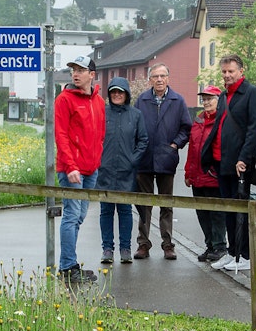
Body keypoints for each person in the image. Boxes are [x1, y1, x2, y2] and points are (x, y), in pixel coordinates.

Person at [201, 54, 256, 272]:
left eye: (231, 71)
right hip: (222, 162)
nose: (227, 75)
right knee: (228, 209)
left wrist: (244, 158)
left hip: (239, 164)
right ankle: (232, 252)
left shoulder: (251, 93)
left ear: (241, 71)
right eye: (224, 71)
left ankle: (244, 255)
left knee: (240, 211)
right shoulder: (223, 96)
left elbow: (255, 128)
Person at [133, 63, 193, 260]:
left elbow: (186, 128)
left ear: (168, 78)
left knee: (166, 203)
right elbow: (134, 126)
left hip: (167, 159)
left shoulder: (178, 100)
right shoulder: (142, 100)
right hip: (145, 159)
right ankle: (143, 244)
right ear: (150, 79)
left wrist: (175, 145)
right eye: (155, 76)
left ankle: (168, 244)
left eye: (162, 76)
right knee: (144, 204)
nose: (159, 79)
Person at [54, 55, 105, 283]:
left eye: (81, 70)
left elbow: (100, 134)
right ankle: (67, 267)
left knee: (80, 216)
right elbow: (61, 135)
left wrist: (97, 162)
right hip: (71, 170)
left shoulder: (99, 101)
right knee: (72, 215)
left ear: (91, 75)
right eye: (73, 70)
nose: (76, 74)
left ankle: (69, 264)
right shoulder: (64, 99)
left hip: (91, 170)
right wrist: (71, 166)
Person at [96, 77, 148, 265]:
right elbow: (94, 137)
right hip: (105, 169)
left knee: (125, 210)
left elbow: (143, 140)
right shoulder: (102, 113)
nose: (117, 95)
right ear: (109, 94)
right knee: (106, 210)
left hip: (127, 171)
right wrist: (98, 159)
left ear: (126, 94)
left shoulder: (136, 115)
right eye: (113, 92)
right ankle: (107, 249)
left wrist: (133, 159)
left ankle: (125, 248)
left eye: (120, 92)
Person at [184, 85, 227, 262]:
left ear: (218, 100)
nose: (206, 102)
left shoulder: (222, 120)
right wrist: (188, 172)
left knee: (216, 214)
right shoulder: (199, 120)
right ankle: (210, 246)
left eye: (210, 99)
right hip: (197, 176)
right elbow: (192, 149)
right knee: (202, 213)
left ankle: (220, 246)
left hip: (213, 176)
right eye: (204, 99)